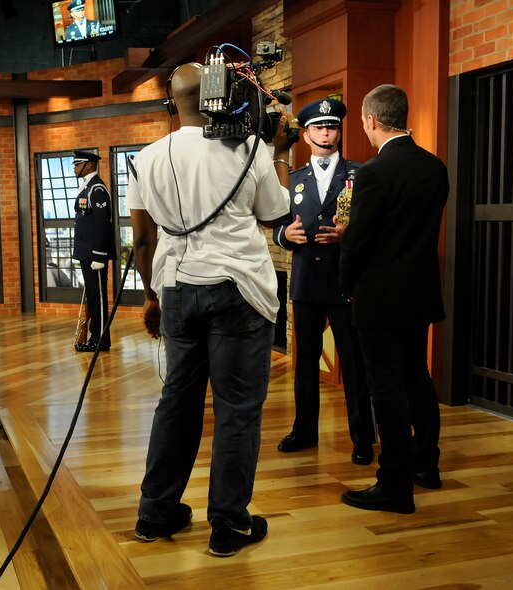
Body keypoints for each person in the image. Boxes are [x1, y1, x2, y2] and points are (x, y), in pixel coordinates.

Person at [126, 63, 294, 556]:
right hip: (238, 289)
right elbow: (276, 212)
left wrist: (151, 295)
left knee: (176, 403)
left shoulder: (147, 157)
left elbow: (141, 239)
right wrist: (281, 152)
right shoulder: (249, 151)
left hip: (175, 286)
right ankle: (228, 525)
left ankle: (155, 514)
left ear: (171, 104)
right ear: (220, 99)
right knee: (237, 409)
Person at [339, 84, 449, 514]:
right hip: (418, 291)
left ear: (370, 120)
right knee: (417, 377)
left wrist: (346, 286)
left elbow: (357, 242)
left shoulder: (373, 173)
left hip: (379, 298)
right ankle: (427, 465)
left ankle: (394, 484)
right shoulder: (434, 168)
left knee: (384, 386)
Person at [273, 98, 376, 465]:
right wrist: (287, 237)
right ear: (306, 134)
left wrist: (348, 235)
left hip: (345, 283)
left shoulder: (360, 174)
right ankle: (304, 430)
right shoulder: (293, 178)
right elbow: (275, 226)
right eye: (318, 127)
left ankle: (363, 437)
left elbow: (375, 229)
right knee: (305, 366)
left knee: (353, 363)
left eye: (331, 126)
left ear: (339, 131)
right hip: (305, 283)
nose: (326, 132)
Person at [72, 149, 115, 352]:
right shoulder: (87, 186)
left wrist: (99, 254)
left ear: (88, 165)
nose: (74, 167)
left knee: (98, 297)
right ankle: (97, 337)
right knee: (93, 296)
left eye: (77, 164)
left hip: (93, 255)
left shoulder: (96, 188)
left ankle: (99, 340)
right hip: (86, 253)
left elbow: (102, 223)